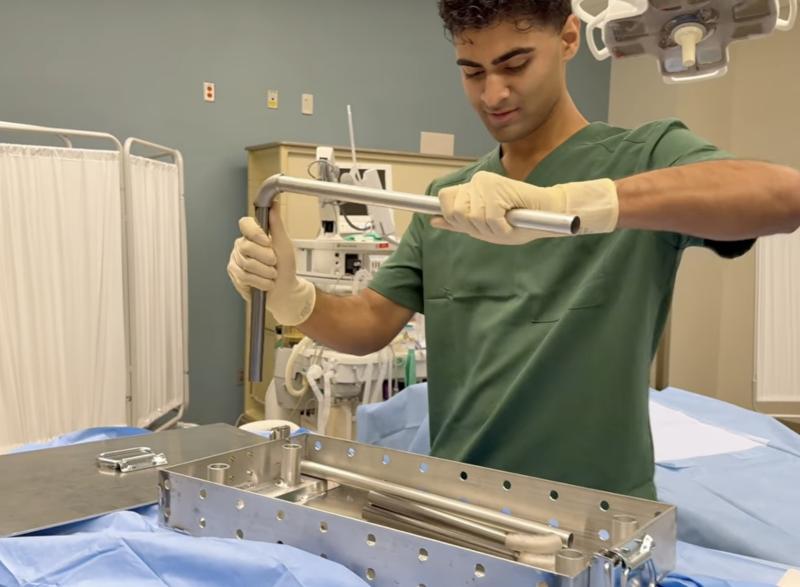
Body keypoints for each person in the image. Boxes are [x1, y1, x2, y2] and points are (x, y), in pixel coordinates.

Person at [228, 0, 800, 499]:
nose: (492, 93)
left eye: (515, 64)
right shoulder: (446, 201)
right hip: (457, 500)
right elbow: (371, 322)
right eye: (472, 71)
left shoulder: (643, 155)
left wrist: (577, 204)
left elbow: (780, 196)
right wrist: (293, 298)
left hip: (595, 512)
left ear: (569, 38)